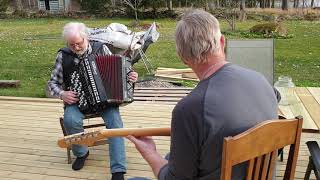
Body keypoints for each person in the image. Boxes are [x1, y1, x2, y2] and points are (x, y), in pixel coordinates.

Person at [127, 10, 280, 180]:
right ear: (222, 42)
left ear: (183, 57)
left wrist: (150, 152)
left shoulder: (190, 109)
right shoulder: (262, 81)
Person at [48, 22, 138, 180]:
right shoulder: (63, 55)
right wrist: (62, 94)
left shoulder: (101, 49)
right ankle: (82, 153)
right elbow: (52, 84)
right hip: (77, 102)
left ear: (86, 38)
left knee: (115, 123)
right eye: (72, 44)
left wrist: (130, 76)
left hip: (105, 101)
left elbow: (121, 70)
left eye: (79, 43)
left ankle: (118, 170)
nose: (76, 47)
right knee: (70, 120)